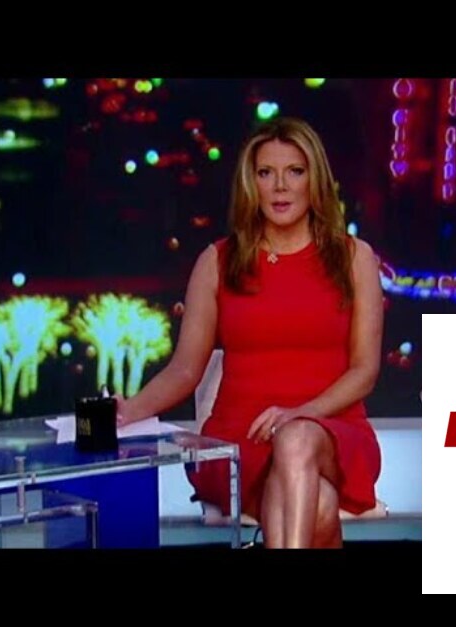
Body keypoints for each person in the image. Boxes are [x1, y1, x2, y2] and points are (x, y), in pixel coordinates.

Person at [116, 117, 383, 548]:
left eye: (294, 171)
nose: (280, 186)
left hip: (333, 431)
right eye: (265, 173)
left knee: (296, 439)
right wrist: (128, 412)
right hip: (240, 440)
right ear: (250, 183)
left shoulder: (354, 258)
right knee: (316, 507)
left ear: (314, 179)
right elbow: (185, 370)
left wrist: (302, 413)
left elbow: (364, 371)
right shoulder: (218, 262)